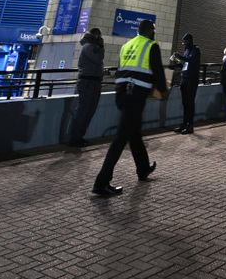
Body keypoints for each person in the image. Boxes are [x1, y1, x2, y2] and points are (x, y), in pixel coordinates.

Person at [91, 19, 167, 197]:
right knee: (120, 138)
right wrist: (162, 90)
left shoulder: (127, 45)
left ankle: (143, 169)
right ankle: (101, 182)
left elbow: (122, 70)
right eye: (153, 30)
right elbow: (158, 73)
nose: (154, 34)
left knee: (134, 133)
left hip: (122, 94)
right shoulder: (151, 46)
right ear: (149, 31)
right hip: (136, 95)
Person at [67, 28, 105, 147]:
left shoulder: (92, 47)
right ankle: (75, 138)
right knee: (83, 111)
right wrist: (101, 47)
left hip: (93, 82)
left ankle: (79, 137)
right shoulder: (89, 47)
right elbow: (98, 59)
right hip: (88, 82)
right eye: (99, 36)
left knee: (89, 111)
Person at [172, 33, 201, 134]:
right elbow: (185, 65)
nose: (184, 44)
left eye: (185, 42)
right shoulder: (186, 50)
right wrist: (177, 62)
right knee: (185, 103)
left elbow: (191, 60)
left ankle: (190, 125)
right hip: (184, 78)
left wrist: (180, 57)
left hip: (192, 79)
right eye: (183, 42)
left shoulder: (196, 49)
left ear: (189, 41)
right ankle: (184, 123)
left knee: (190, 103)